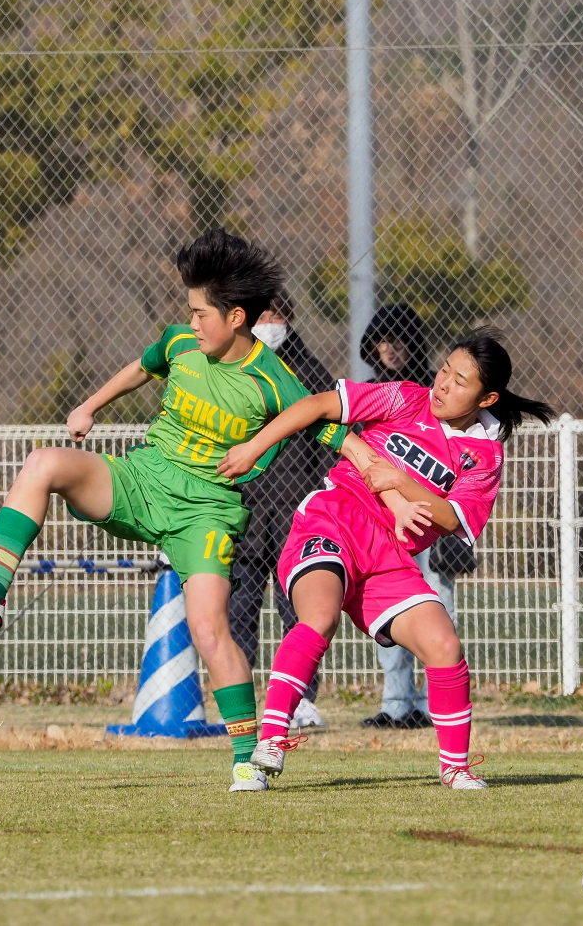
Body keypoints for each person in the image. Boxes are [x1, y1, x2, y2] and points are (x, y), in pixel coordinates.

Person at [0, 229, 382, 790]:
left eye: (200, 313)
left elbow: (327, 427)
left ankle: (248, 757)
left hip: (207, 513)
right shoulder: (180, 344)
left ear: (237, 317)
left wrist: (376, 470)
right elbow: (143, 367)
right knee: (43, 463)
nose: (190, 322)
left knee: (209, 630)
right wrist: (89, 405)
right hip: (143, 478)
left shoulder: (276, 381)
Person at [218, 327, 554, 789]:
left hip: (390, 556)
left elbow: (454, 518)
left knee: (444, 646)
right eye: (444, 371)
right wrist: (255, 447)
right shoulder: (405, 398)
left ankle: (454, 767)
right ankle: (266, 749)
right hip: (332, 520)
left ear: (488, 397)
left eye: (460, 382)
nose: (443, 385)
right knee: (318, 618)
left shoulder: (484, 454)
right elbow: (317, 407)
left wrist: (396, 481)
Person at [228, 292, 334, 729]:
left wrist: (325, 495)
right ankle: (238, 700)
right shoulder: (234, 372)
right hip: (245, 512)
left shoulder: (308, 371)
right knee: (239, 609)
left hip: (296, 514)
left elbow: (333, 435)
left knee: (300, 611)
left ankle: (302, 698)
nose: (269, 323)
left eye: (276, 314)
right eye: (261, 315)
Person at [357, 303, 459, 730]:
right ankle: (397, 701)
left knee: (437, 606)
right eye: (382, 339)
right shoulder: (370, 392)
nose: (390, 348)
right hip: (383, 520)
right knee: (388, 610)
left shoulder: (434, 395)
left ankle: (436, 704)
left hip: (431, 524)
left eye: (399, 339)